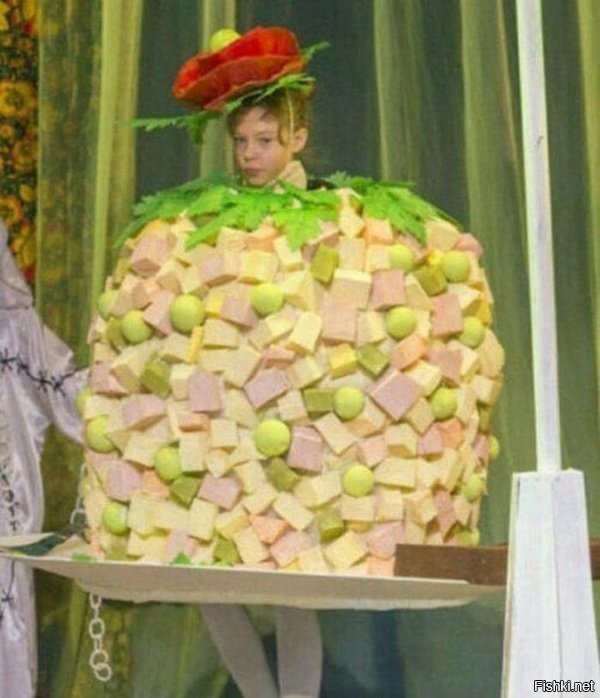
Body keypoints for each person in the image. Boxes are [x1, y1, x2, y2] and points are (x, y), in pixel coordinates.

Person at [199, 86, 323, 698]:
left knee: (291, 581)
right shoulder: (218, 212)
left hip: (292, 411)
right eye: (241, 141)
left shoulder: (325, 210)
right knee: (209, 577)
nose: (250, 154)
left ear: (297, 139)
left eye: (265, 140)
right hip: (228, 410)